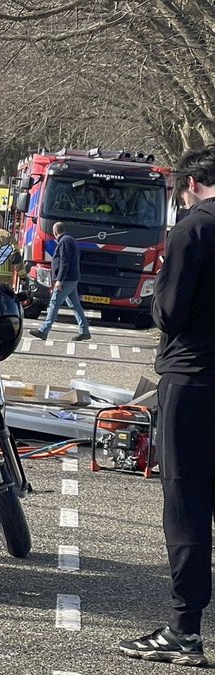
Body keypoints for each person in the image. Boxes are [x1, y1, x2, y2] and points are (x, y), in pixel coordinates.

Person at [119, 147, 215, 668]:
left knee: (187, 505)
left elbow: (170, 311)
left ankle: (185, 630)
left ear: (192, 183)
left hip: (194, 379)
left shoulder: (192, 231)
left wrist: (156, 297)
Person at [28, 222, 90, 341]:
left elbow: (64, 262)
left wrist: (59, 280)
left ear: (55, 232)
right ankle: (84, 331)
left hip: (66, 280)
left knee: (54, 304)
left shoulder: (64, 241)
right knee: (75, 305)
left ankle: (43, 330)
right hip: (72, 278)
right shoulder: (70, 240)